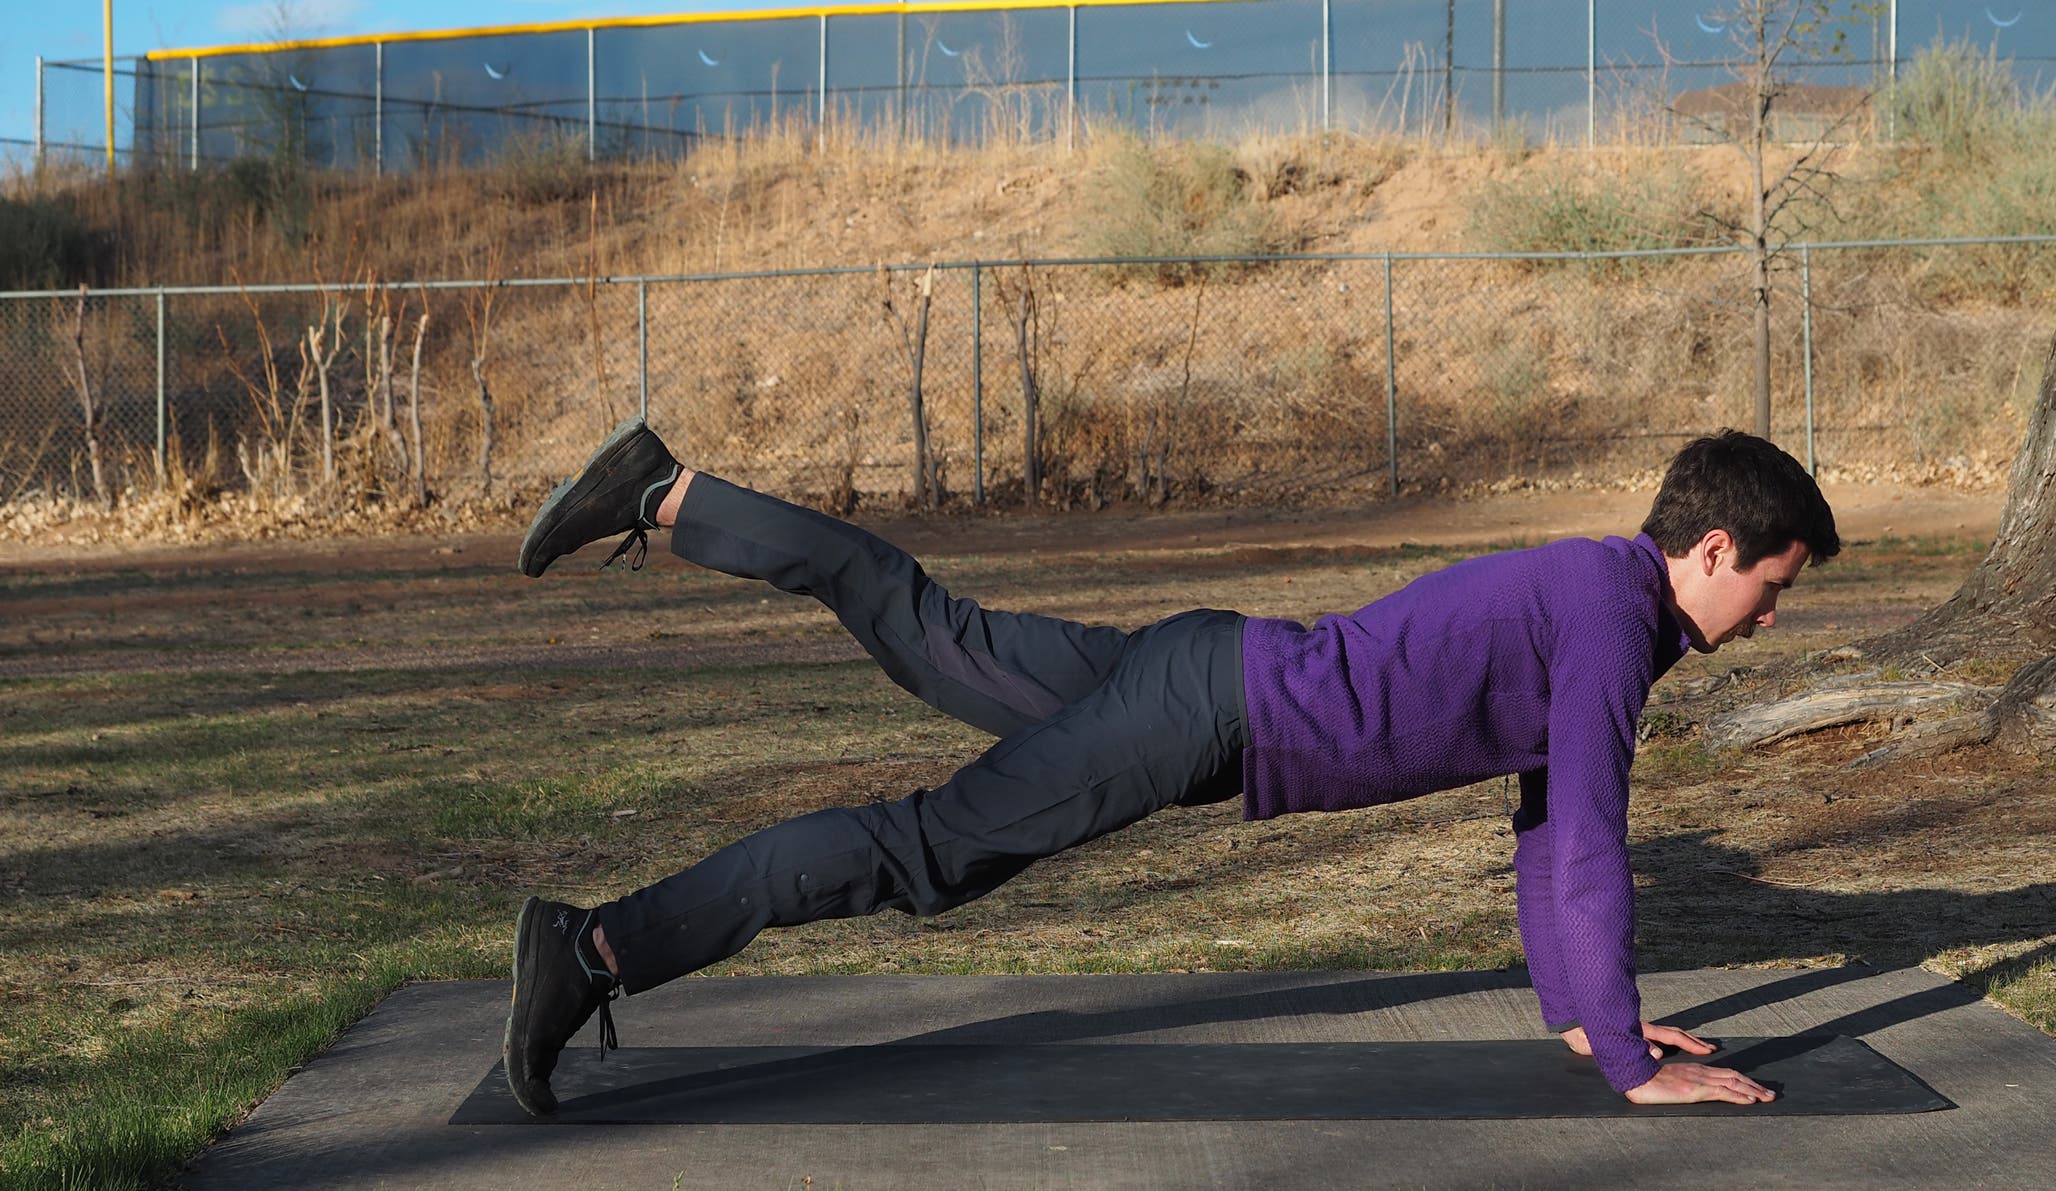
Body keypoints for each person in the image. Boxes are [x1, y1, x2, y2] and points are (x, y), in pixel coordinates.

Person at [502, 419, 1839, 1117]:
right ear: (1714, 549)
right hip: (1207, 715)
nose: (1771, 617)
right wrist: (1628, 1061)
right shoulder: (1612, 621)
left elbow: (1547, 821)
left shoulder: (1603, 593)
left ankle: (668, 492)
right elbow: (1588, 839)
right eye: (1774, 587)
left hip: (1208, 670)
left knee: (927, 630)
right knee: (922, 852)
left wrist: (1585, 1015)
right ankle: (597, 948)